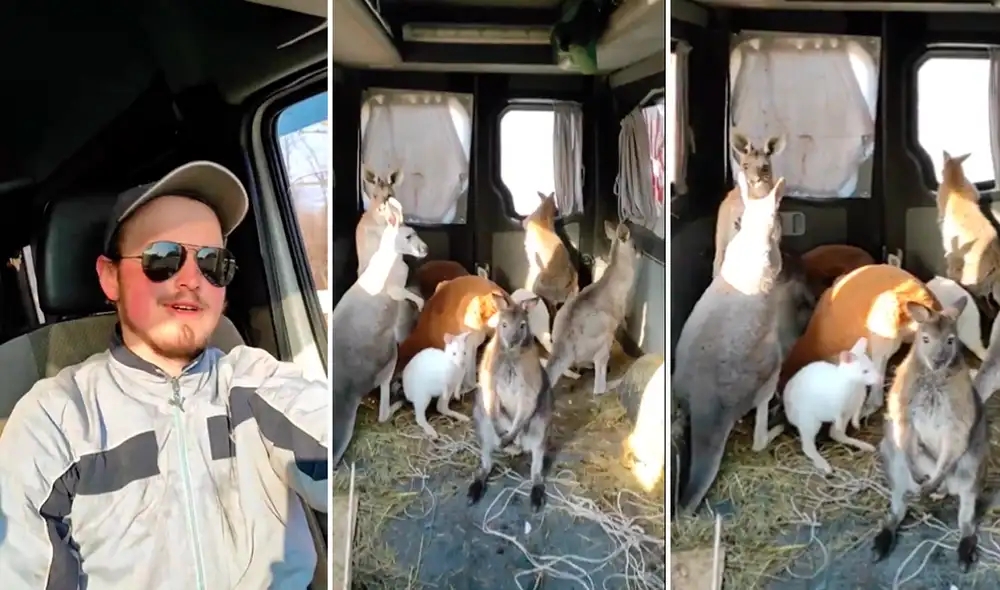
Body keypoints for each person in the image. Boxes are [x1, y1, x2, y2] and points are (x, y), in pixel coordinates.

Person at [0, 161, 329, 589]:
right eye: (163, 257)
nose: (192, 279)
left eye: (213, 262)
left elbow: (333, 447)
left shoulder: (255, 382)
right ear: (110, 278)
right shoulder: (54, 420)